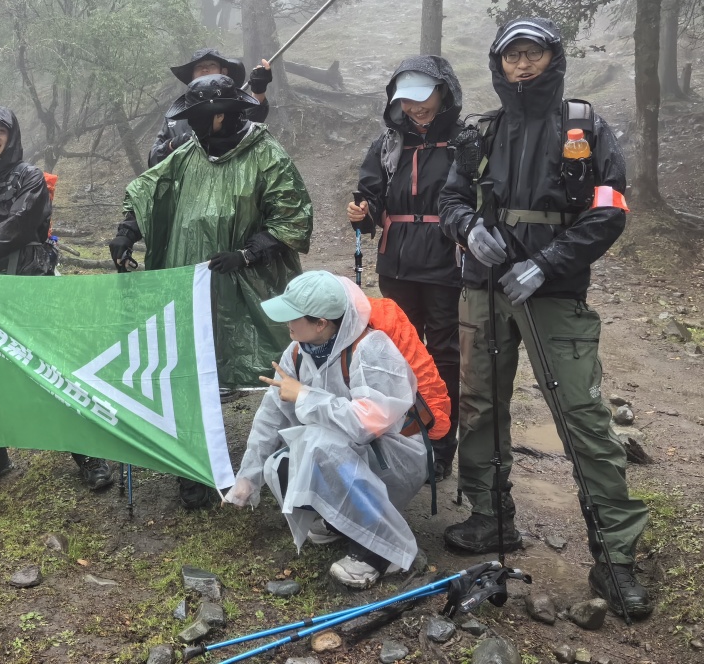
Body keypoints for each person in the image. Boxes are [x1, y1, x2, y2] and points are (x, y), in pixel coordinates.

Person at [438, 17, 652, 619]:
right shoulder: (481, 132)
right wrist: (468, 229)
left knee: (582, 415)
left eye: (533, 53)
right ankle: (489, 517)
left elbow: (609, 210)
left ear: (552, 58)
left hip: (554, 293)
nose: (523, 64)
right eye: (513, 55)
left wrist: (547, 263)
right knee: (480, 404)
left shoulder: (585, 126)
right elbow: (450, 198)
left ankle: (614, 557)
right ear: (499, 64)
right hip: (483, 289)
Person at [113, 74, 313, 508]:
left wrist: (248, 253)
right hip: (190, 282)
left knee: (282, 368)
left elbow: (293, 218)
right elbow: (149, 188)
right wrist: (127, 231)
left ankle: (299, 462)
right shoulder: (190, 153)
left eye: (199, 118)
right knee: (187, 367)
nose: (193, 126)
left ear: (221, 115)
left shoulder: (266, 155)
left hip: (249, 284)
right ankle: (195, 470)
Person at [0, 106, 114, 493]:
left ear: (11, 136)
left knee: (50, 365)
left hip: (28, 284)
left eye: (0, 130)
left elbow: (18, 226)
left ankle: (87, 452)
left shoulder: (29, 177)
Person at [223, 271, 426, 590]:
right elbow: (270, 417)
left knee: (316, 444)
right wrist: (248, 478)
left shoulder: (371, 349)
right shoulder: (297, 351)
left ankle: (382, 552)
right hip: (347, 453)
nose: (286, 323)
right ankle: (339, 522)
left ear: (320, 323)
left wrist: (305, 396)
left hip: (393, 460)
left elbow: (366, 425)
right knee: (282, 463)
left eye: (293, 316)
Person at [347, 56, 466, 482]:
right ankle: (404, 438)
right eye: (407, 101)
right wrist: (362, 214)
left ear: (443, 92)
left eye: (423, 98)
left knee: (444, 355)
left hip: (446, 259)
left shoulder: (464, 140)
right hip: (397, 261)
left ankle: (442, 442)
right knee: (398, 350)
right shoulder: (388, 144)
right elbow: (371, 196)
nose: (416, 108)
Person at [148, 48, 272, 167]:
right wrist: (172, 145)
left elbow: (251, 126)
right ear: (192, 75)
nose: (205, 69)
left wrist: (259, 91)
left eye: (212, 65)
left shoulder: (233, 107)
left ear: (223, 72)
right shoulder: (175, 117)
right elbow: (153, 161)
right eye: (199, 66)